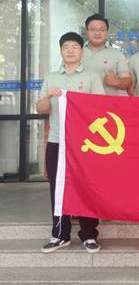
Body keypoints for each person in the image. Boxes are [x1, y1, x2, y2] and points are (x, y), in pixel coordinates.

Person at [37, 32, 104, 254]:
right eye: (66, 47)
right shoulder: (51, 77)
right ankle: (60, 234)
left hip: (85, 144)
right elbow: (41, 109)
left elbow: (100, 107)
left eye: (75, 46)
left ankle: (89, 234)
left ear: (82, 51)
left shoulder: (92, 77)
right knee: (57, 188)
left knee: (87, 186)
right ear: (61, 51)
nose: (70, 50)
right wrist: (49, 97)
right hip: (57, 141)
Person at [82, 14, 132, 95]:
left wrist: (116, 82)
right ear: (87, 32)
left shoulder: (117, 54)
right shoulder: (76, 52)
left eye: (102, 30)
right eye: (93, 29)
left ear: (107, 33)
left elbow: (127, 80)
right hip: (81, 101)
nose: (97, 33)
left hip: (108, 102)